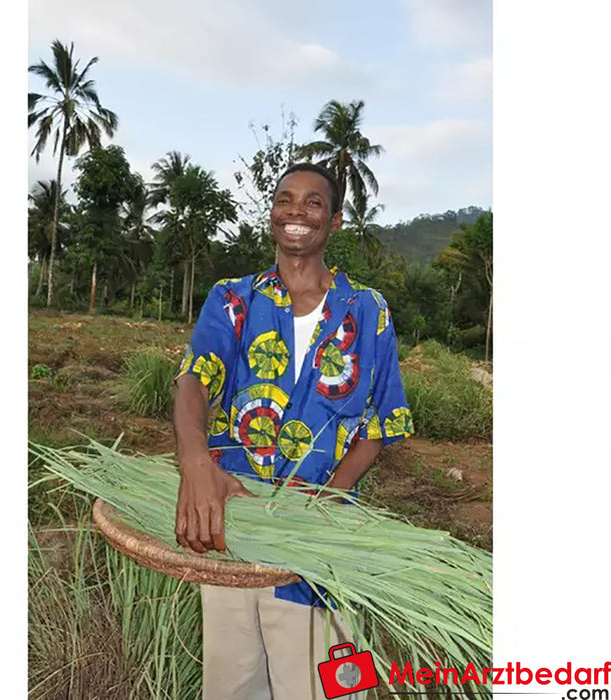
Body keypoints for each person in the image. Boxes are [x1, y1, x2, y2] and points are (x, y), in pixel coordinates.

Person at [173, 162, 414, 700]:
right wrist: (196, 464)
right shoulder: (234, 299)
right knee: (232, 685)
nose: (296, 212)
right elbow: (194, 380)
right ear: (273, 211)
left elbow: (377, 423)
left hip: (319, 548)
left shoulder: (368, 310)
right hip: (232, 530)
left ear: (334, 219)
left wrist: (325, 501)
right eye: (285, 199)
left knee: (328, 689)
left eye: (312, 202)